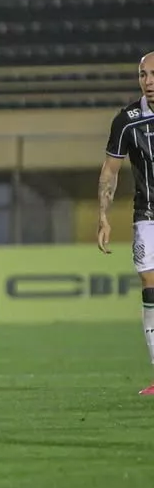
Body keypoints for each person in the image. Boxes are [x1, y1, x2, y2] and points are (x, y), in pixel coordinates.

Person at [97, 51, 154, 395]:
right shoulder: (127, 121)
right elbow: (110, 172)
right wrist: (103, 215)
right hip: (148, 216)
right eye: (143, 75)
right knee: (151, 289)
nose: (149, 81)